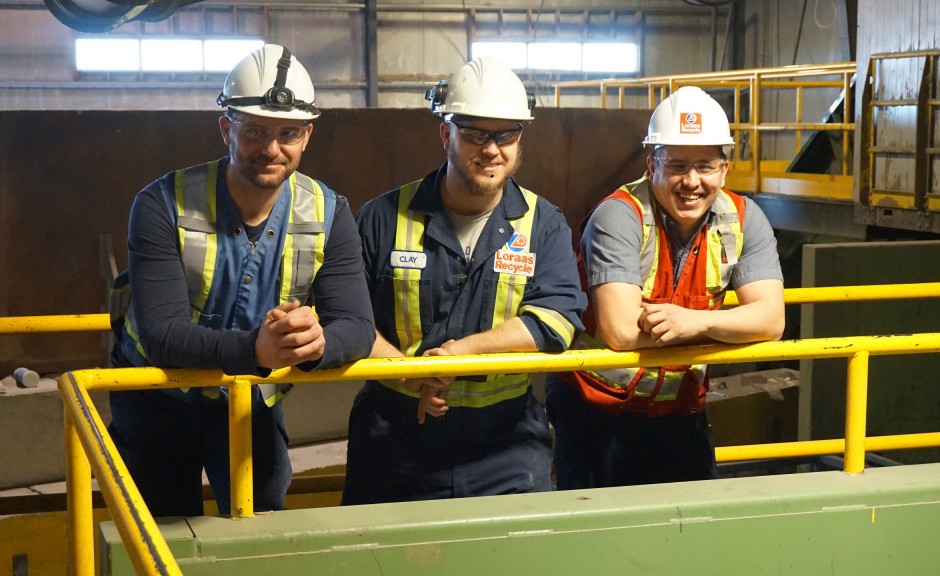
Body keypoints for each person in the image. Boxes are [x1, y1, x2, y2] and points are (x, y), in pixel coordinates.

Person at [107, 44, 374, 517]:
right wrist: (257, 351)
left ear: (307, 135)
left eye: (288, 133)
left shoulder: (330, 212)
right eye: (254, 130)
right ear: (226, 128)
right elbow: (162, 334)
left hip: (250, 401)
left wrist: (314, 344)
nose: (271, 148)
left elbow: (355, 326)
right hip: (155, 396)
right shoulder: (160, 204)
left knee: (261, 535)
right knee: (159, 535)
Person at [342, 58, 586, 505]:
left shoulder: (543, 223)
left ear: (519, 139)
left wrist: (460, 353)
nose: (491, 149)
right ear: (446, 134)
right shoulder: (381, 218)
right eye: (475, 133)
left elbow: (556, 320)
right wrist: (413, 376)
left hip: (507, 446)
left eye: (505, 135)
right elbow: (348, 316)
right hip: (393, 439)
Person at [546, 86, 785, 489]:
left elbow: (771, 320)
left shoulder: (744, 219)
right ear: (651, 164)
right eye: (676, 165)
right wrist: (727, 324)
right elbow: (622, 332)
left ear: (724, 168)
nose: (691, 181)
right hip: (595, 409)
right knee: (596, 539)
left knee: (686, 535)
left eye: (705, 165)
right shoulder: (618, 216)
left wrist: (693, 322)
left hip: (680, 409)